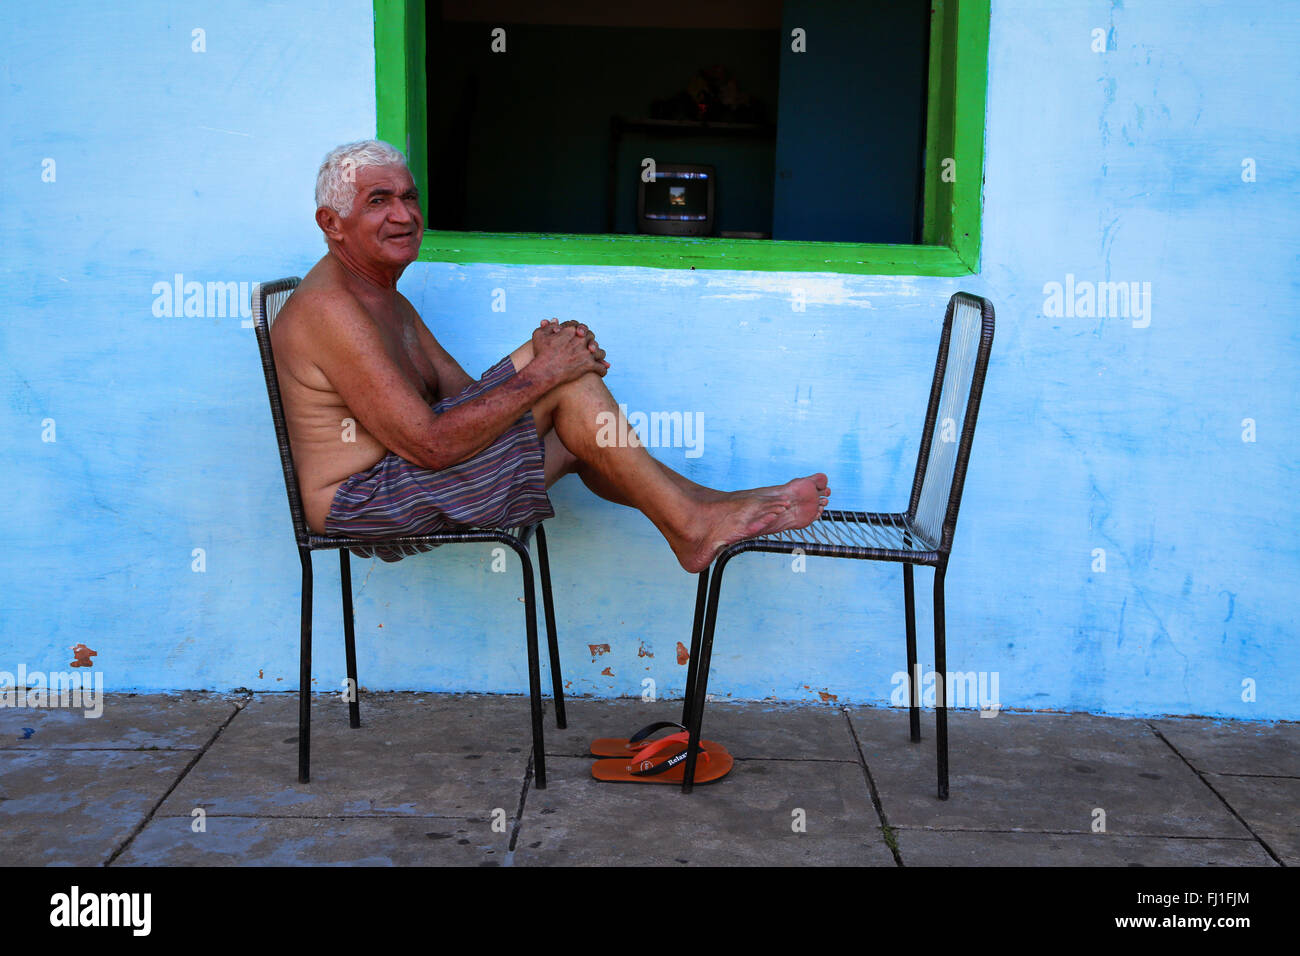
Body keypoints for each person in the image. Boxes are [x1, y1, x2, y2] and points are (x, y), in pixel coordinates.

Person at [271, 140, 829, 570]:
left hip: (403, 473)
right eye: (378, 201)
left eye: (408, 197)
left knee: (570, 409)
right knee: (565, 386)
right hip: (364, 502)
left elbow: (464, 400)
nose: (404, 215)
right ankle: (694, 521)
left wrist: (542, 355)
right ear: (331, 224)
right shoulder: (332, 308)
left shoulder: (383, 295)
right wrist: (545, 375)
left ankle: (702, 509)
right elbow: (430, 443)